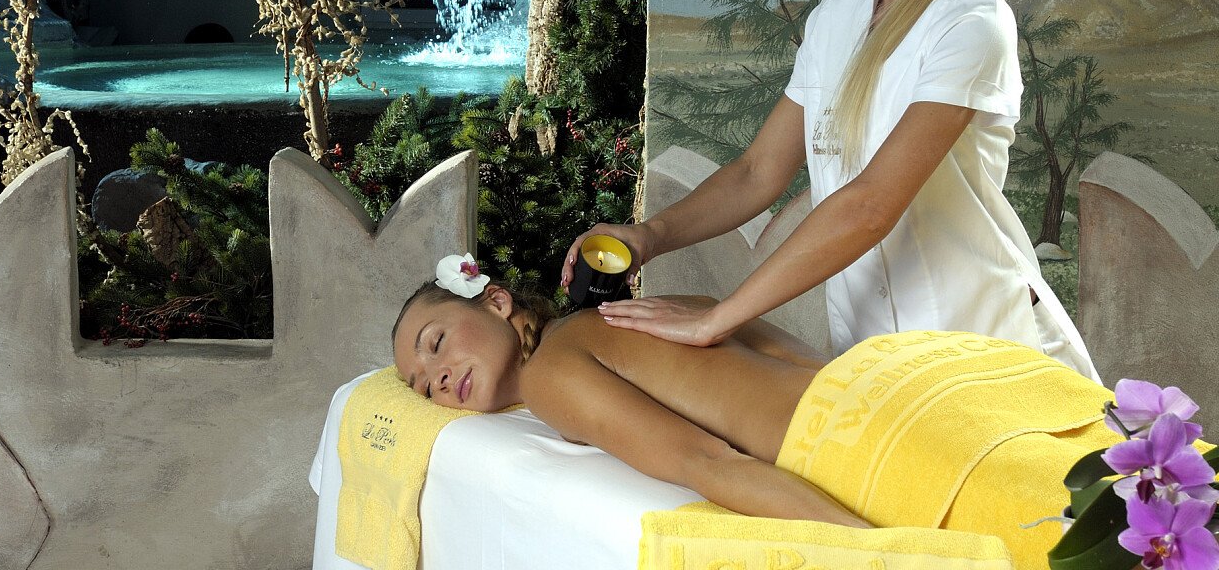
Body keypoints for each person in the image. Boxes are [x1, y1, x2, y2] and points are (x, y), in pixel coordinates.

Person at [560, 0, 1098, 380]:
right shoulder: (839, 12)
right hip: (870, 359)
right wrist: (649, 236)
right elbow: (757, 171)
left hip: (978, 346)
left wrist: (717, 319)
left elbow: (870, 206)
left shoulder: (972, 24)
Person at [391, 265, 1122, 569]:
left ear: (495, 300)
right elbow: (795, 356)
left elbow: (708, 464)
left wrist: (883, 552)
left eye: (435, 343)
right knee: (1130, 499)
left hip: (875, 442)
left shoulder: (550, 373)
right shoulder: (645, 311)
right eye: (422, 387)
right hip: (914, 384)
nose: (436, 378)